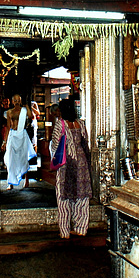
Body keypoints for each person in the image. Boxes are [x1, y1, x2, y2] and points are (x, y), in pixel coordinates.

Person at [51, 98, 92, 239]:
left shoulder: (60, 125)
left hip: (66, 163)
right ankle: (81, 228)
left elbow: (55, 146)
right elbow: (86, 143)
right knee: (81, 197)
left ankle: (64, 231)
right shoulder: (80, 124)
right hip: (82, 163)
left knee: (63, 197)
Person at [1, 94, 35, 190]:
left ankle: (26, 180)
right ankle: (10, 182)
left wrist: (27, 107)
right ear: (12, 102)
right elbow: (8, 127)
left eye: (18, 100)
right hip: (13, 135)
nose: (16, 102)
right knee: (11, 158)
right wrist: (5, 141)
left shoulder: (24, 111)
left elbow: (31, 116)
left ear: (20, 101)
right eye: (14, 100)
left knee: (23, 157)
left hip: (22, 135)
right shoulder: (9, 112)